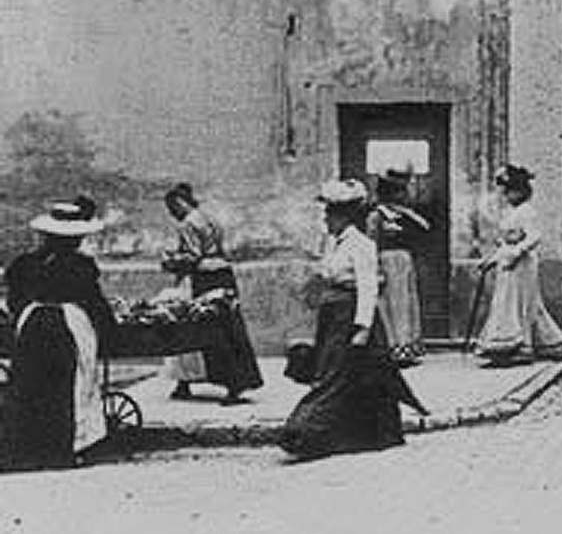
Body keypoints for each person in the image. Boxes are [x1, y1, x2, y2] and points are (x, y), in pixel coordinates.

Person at [280, 180, 428, 461]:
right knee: (354, 377)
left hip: (351, 319)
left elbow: (368, 288)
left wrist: (362, 329)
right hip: (333, 319)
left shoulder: (361, 245)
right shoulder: (335, 244)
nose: (325, 220)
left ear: (343, 216)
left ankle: (302, 433)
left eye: (329, 215)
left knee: (336, 376)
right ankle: (361, 435)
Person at [2, 199, 115, 471]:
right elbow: (94, 302)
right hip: (67, 326)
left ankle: (29, 447)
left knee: (31, 383)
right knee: (67, 384)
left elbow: (15, 300)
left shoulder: (24, 264)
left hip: (32, 326)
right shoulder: (81, 266)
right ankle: (63, 448)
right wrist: (108, 328)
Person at [160, 183, 263, 405]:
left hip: (205, 279)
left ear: (180, 203)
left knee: (205, 331)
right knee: (231, 328)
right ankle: (238, 381)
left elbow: (193, 256)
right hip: (225, 275)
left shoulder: (188, 224)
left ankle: (226, 384)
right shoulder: (209, 218)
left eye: (172, 208)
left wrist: (170, 261)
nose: (172, 214)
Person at [473, 165, 562, 365]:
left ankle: (523, 345)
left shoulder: (527, 212)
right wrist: (491, 260)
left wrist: (516, 252)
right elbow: (504, 242)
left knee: (523, 302)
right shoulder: (510, 212)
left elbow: (534, 236)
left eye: (510, 191)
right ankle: (512, 344)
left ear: (521, 192)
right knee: (507, 302)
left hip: (523, 263)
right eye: (505, 192)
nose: (507, 196)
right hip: (508, 263)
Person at [366, 169, 430, 367]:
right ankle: (394, 346)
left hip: (404, 260)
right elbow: (371, 242)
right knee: (391, 304)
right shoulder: (376, 216)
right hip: (386, 260)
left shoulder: (403, 215)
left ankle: (407, 346)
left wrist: (406, 212)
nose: (403, 196)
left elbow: (425, 226)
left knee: (405, 303)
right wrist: (376, 269)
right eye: (399, 193)